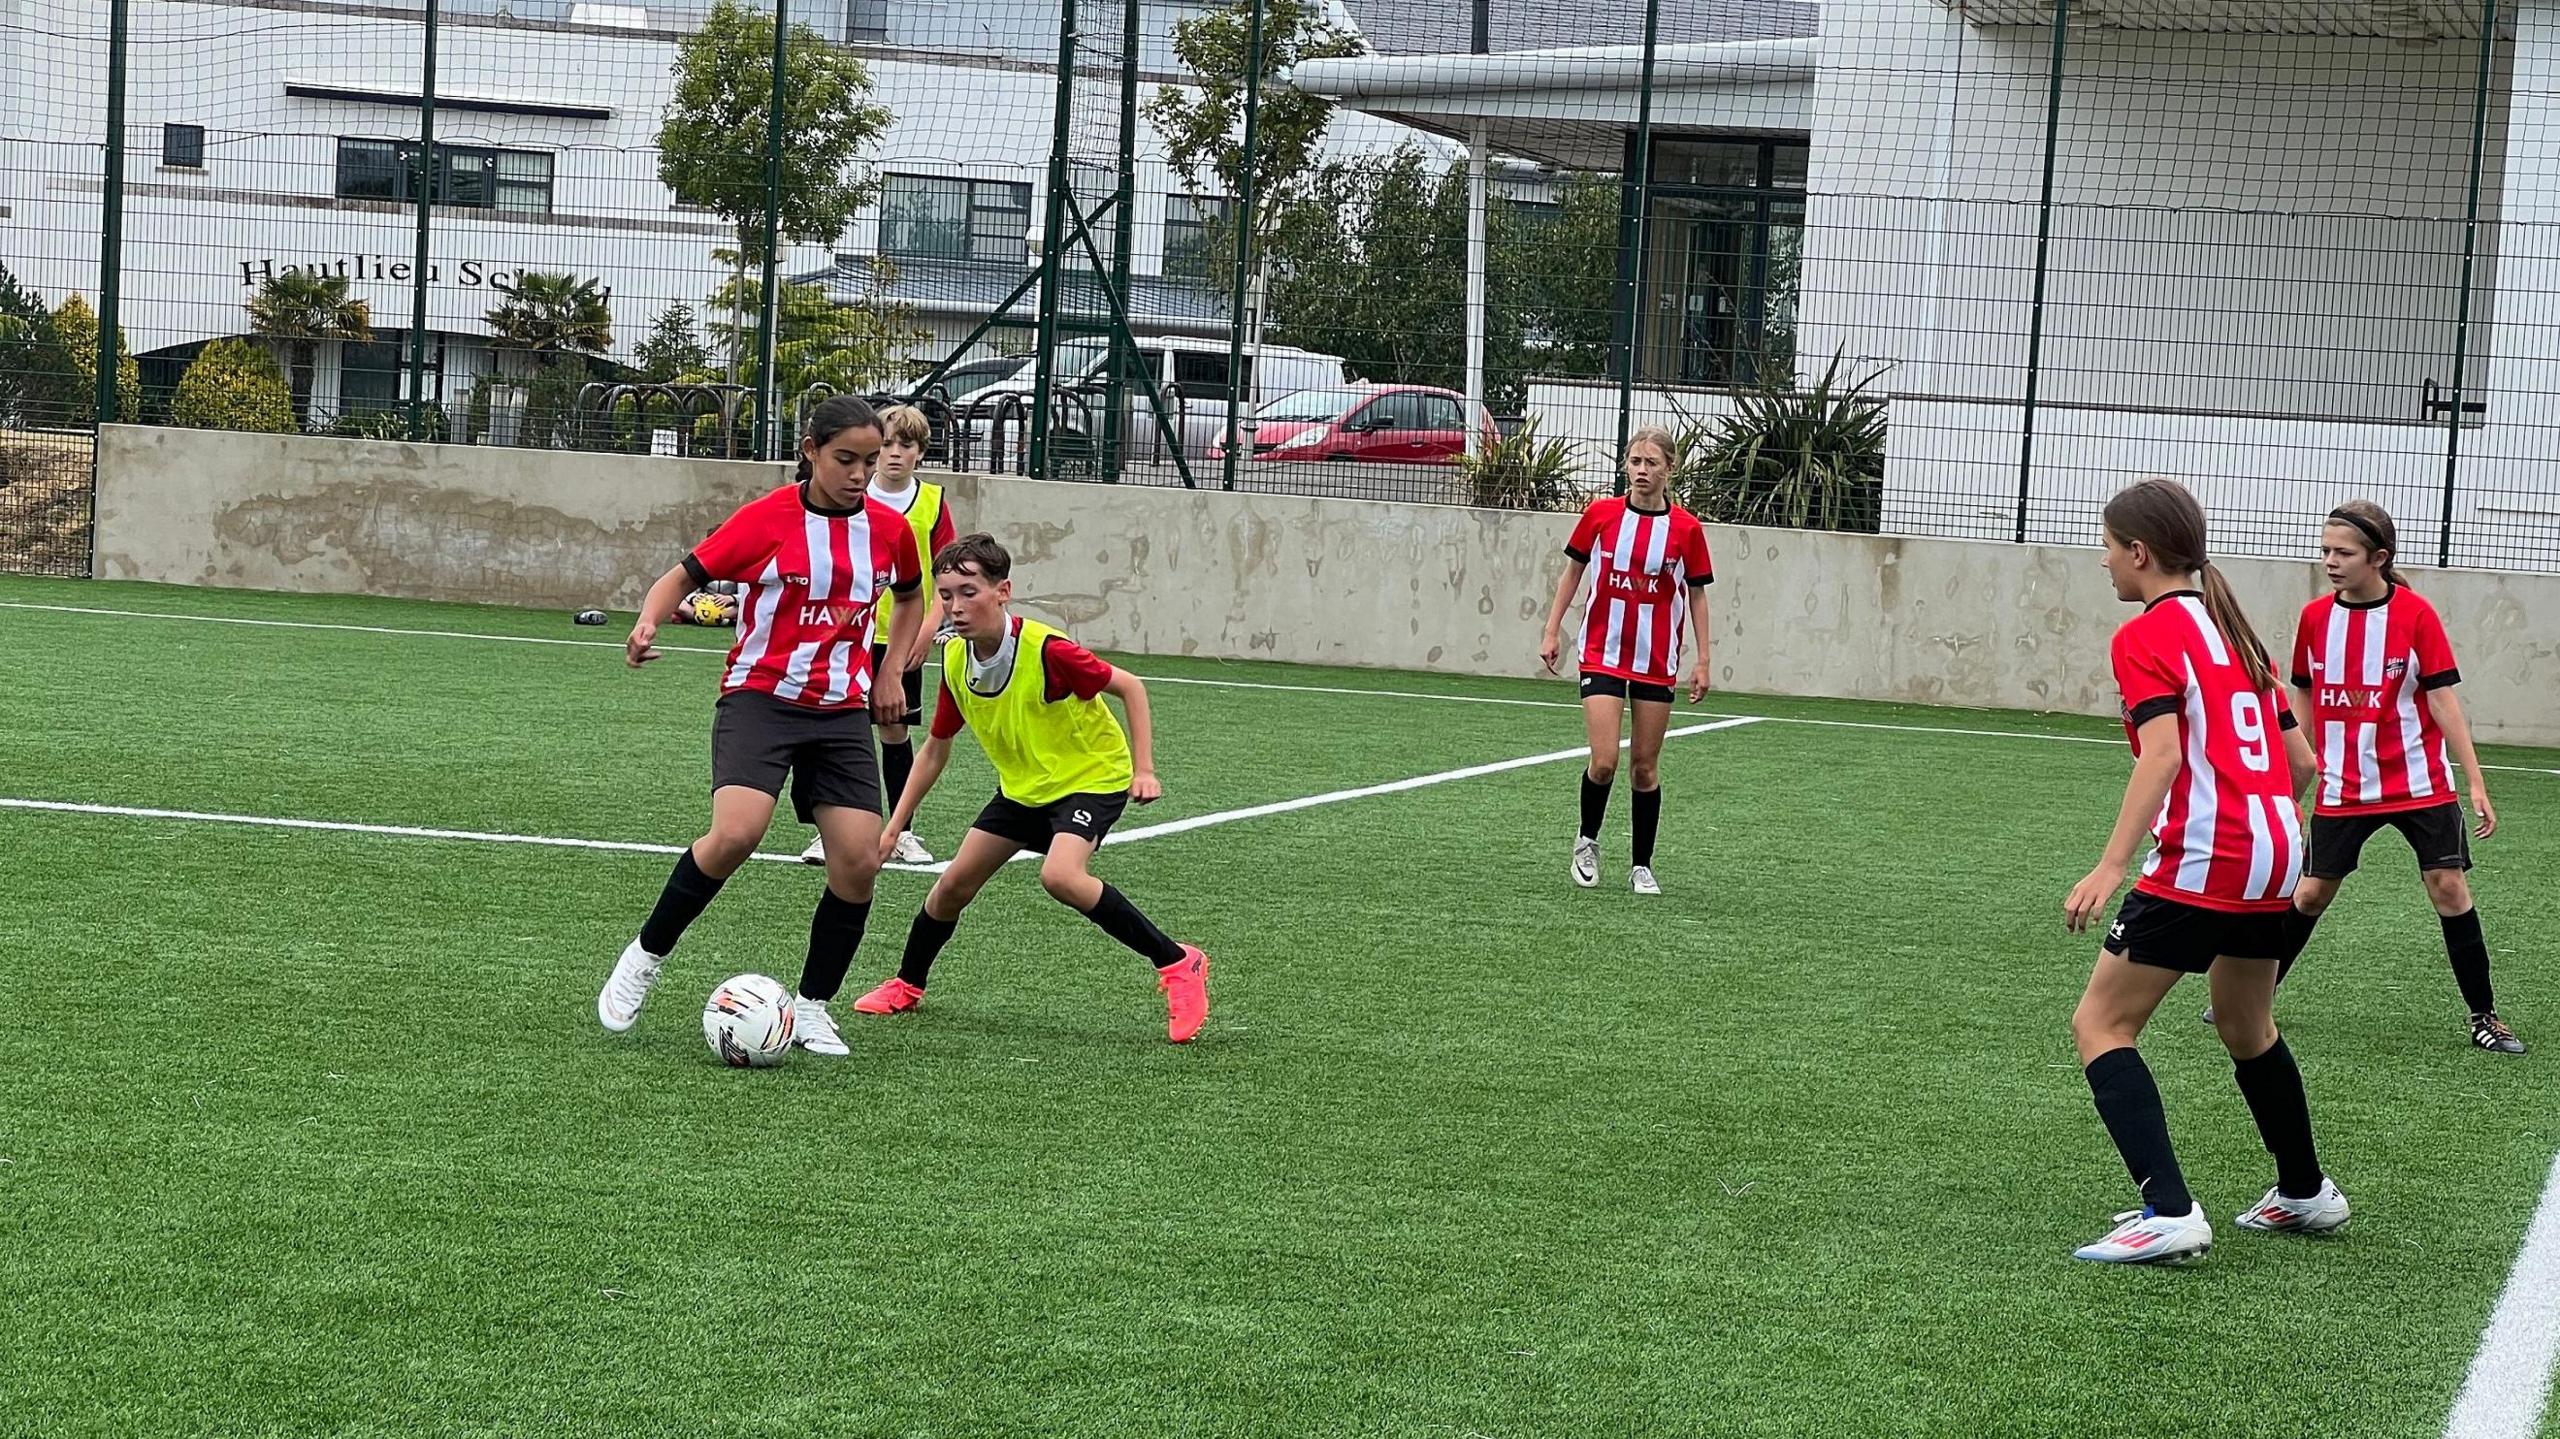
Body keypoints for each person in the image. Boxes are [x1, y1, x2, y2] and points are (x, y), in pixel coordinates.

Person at [2061, 477, 2347, 1265]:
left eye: (2110, 546)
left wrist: (2112, 864)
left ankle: (2169, 1209)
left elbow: (2164, 752)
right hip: (2276, 850)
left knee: (2101, 1024)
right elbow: (2300, 760)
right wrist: (2259, 821)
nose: (2105, 560)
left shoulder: (2146, 635)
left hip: (2208, 855)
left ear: (2140, 552)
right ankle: (2305, 1191)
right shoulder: (2235, 628)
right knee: (2246, 1025)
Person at [595, 395, 926, 1058]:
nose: (861, 472)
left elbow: (913, 596)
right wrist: (646, 622)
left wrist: (891, 672)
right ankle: (645, 955)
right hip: (761, 699)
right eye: (845, 459)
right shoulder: (768, 520)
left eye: (869, 460)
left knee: (859, 862)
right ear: (811, 451)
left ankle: (810, 1007)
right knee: (737, 833)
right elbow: (681, 577)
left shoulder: (890, 530)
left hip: (839, 711)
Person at [846, 533, 1211, 1043]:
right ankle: (907, 984)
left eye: (969, 592)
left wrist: (1143, 768)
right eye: (946, 595)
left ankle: (1178, 963)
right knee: (951, 888)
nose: (955, 606)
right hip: (1023, 789)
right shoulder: (954, 660)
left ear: (1003, 591)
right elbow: (934, 748)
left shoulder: (1047, 650)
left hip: (1090, 778)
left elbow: (1131, 686)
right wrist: (895, 825)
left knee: (1060, 875)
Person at [2272, 501, 2521, 1054]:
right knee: (2310, 894)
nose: (2330, 561)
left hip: (2419, 784)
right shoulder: (2315, 618)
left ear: (2378, 558)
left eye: (2344, 552)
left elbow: (2444, 701)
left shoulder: (2415, 615)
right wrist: (2295, 782)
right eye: (2326, 551)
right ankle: (2253, 997)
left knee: (2450, 888)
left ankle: (2484, 1017)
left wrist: (2474, 782)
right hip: (2344, 786)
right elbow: (2303, 698)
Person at [1537, 427, 1713, 897]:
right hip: (1603, 655)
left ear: (1669, 469)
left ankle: (1642, 866)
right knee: (1604, 761)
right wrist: (1552, 629)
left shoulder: (1687, 530)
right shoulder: (1600, 515)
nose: (1640, 470)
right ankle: (1587, 842)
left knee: (1644, 767)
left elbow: (1696, 595)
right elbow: (1573, 572)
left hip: (1656, 663)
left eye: (1650, 462)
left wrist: (1703, 660)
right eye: (1634, 461)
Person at [802, 402, 957, 870]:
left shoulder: (931, 503)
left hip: (900, 638)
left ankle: (902, 830)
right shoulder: (847, 495)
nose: (893, 454)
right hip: (847, 634)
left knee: (894, 730)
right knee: (830, 727)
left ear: (920, 453)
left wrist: (929, 629)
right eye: (886, 444)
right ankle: (823, 832)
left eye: (904, 445)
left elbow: (945, 574)